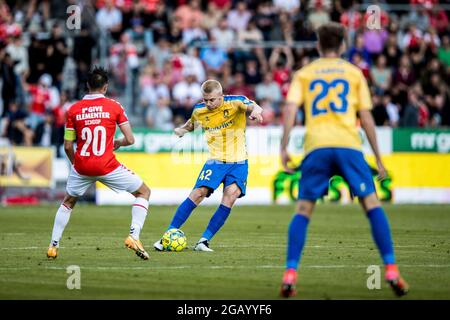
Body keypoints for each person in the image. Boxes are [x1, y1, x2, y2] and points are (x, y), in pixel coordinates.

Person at [279, 22, 409, 298]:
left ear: (318, 45)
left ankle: (290, 273)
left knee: (303, 210)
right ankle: (391, 269)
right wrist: (378, 157)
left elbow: (290, 108)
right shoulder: (354, 73)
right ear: (342, 46)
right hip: (349, 146)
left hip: (317, 147)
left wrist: (284, 146)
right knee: (371, 204)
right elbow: (367, 118)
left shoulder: (305, 73)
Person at [46, 67, 151, 260]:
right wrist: (117, 143)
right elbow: (130, 139)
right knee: (143, 192)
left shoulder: (73, 109)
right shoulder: (114, 106)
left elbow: (68, 145)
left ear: (87, 86)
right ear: (105, 87)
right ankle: (134, 236)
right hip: (107, 165)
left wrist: (76, 165)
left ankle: (53, 245)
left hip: (82, 166)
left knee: (68, 202)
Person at [153, 79, 263, 252]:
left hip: (239, 162)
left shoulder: (235, 102)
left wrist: (256, 112)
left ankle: (204, 241)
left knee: (231, 197)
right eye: (205, 100)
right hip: (215, 160)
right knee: (198, 193)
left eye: (212, 100)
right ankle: (167, 235)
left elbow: (255, 106)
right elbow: (192, 124)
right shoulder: (200, 110)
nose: (209, 103)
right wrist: (182, 130)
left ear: (221, 96)